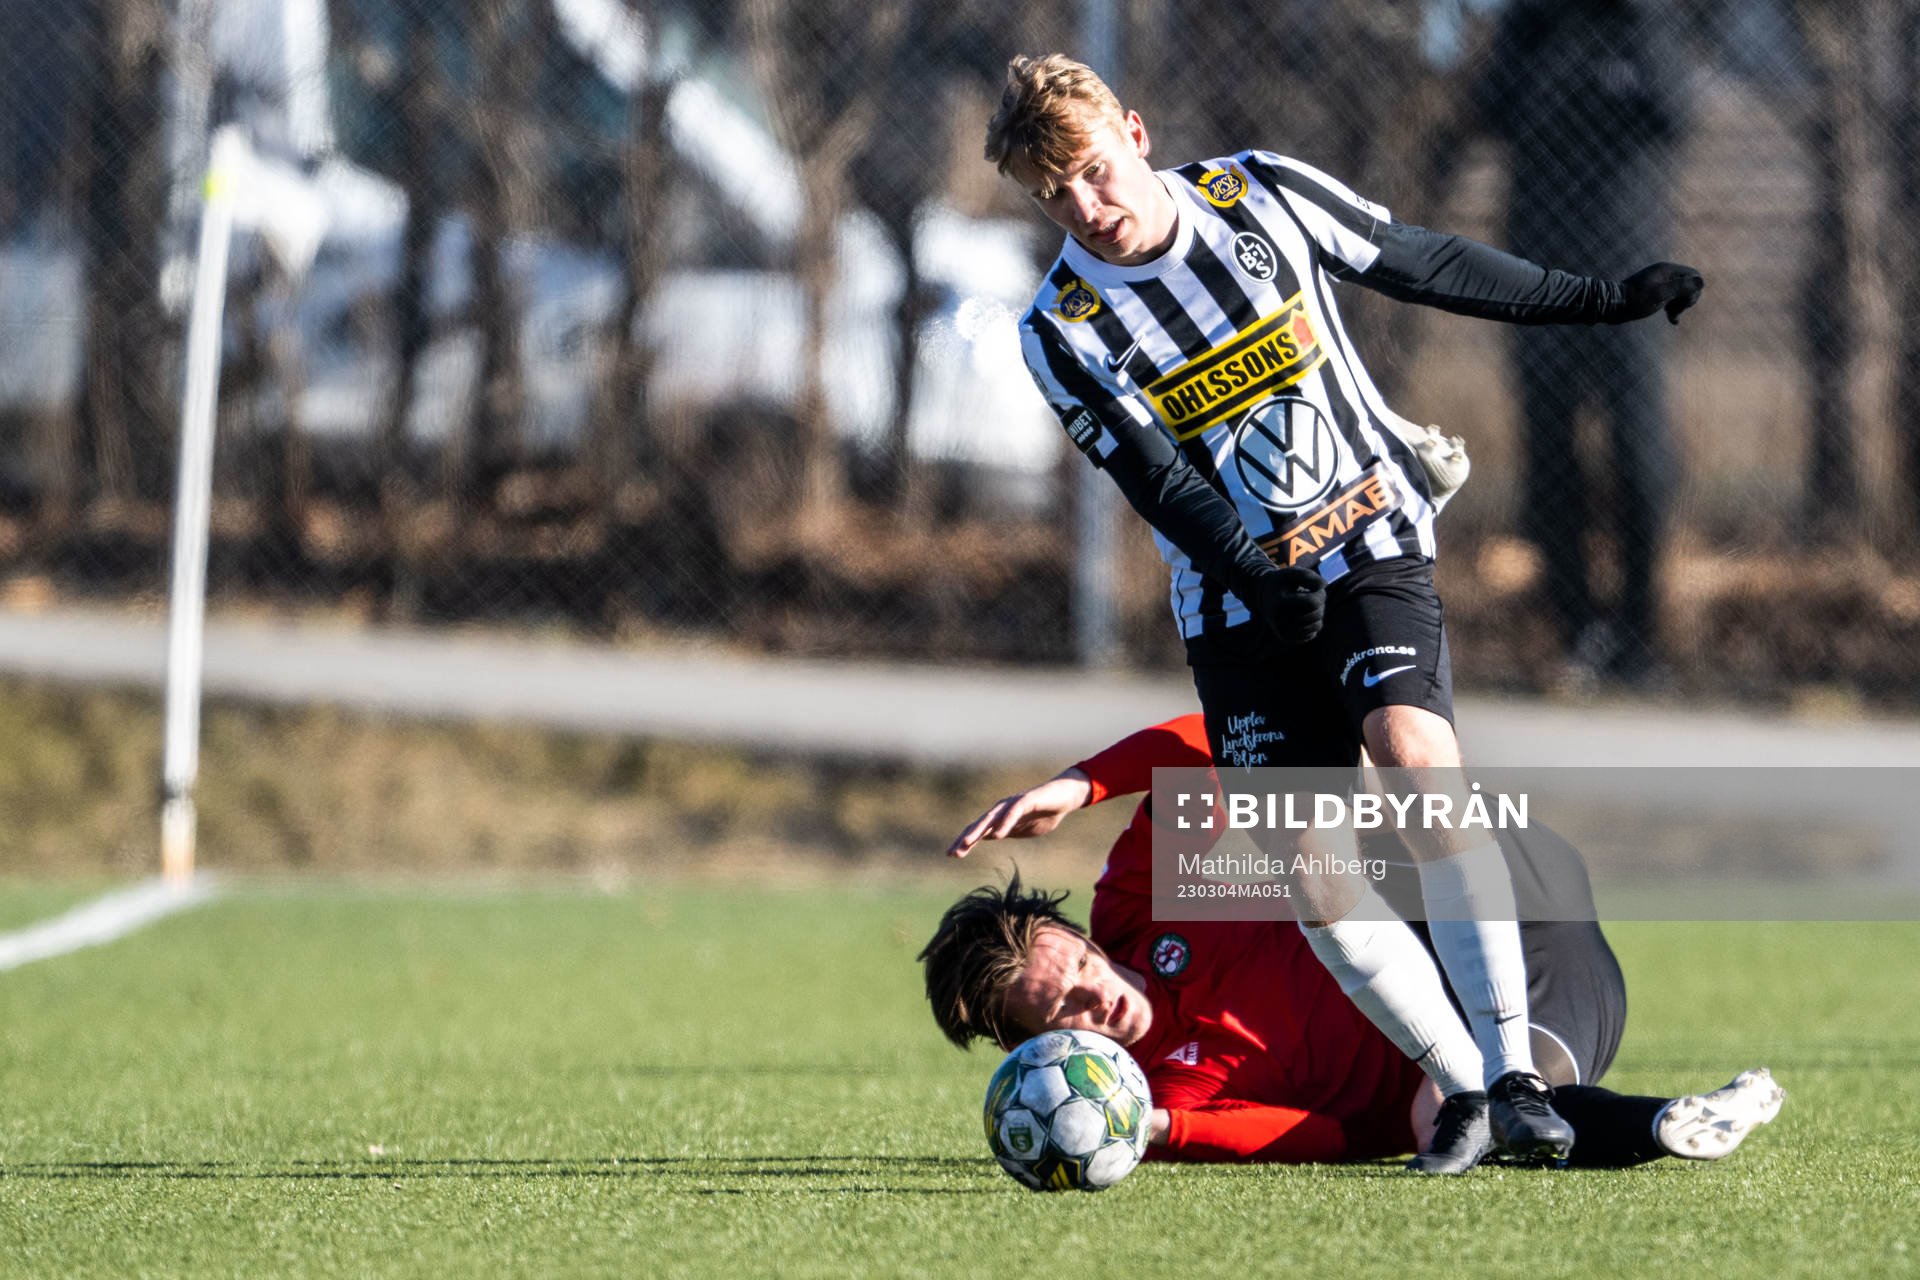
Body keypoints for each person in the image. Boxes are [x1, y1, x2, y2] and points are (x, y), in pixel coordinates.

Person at [990, 53, 1702, 1165]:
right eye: (1054, 196)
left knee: (1417, 755)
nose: (1087, 208)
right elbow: (1159, 483)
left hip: (1367, 534)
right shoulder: (1061, 330)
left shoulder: (1259, 193)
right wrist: (1254, 572)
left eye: (1092, 170)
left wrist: (1599, 299)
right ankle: (1461, 1086)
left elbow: (1423, 260)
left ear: (1134, 129)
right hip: (1232, 601)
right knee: (1313, 869)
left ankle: (1511, 1073)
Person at [923, 715, 1786, 1169]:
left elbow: (1219, 743)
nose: (1094, 994)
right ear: (1035, 1049)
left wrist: (1083, 785)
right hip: (1555, 999)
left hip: (1487, 878)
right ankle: (1675, 1121)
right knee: (1455, 1113)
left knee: (1309, 800)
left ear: (1080, 936)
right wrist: (1156, 1129)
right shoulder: (1158, 1100)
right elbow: (1332, 1140)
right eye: (1066, 1010)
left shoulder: (1137, 907)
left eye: (1077, 965)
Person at [1475, 0, 1691, 681]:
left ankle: (1639, 631)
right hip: (1540, 270)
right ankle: (1577, 629)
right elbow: (1492, 111)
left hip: (1632, 272)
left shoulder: (1645, 23)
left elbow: (1675, 113)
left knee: (1640, 454)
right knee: (1551, 453)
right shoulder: (1532, 23)